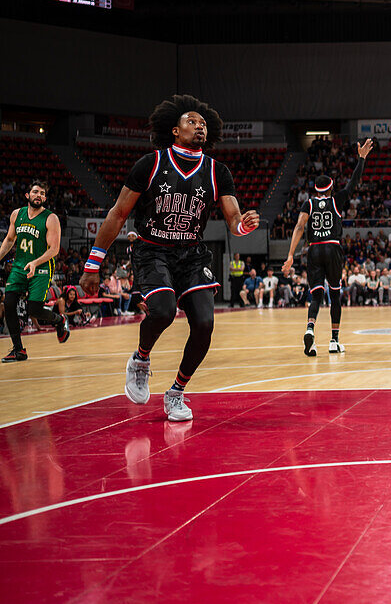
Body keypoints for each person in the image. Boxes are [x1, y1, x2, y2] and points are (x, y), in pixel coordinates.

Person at [79, 94, 259, 421]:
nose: (199, 127)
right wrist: (93, 264)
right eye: (192, 122)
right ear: (175, 131)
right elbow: (118, 214)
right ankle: (141, 359)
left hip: (191, 254)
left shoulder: (218, 171)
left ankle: (176, 392)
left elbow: (234, 220)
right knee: (161, 312)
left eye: (203, 124)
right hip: (152, 250)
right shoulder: (150, 164)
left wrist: (243, 225)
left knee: (204, 323)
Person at [282, 138, 373, 355]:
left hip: (313, 249)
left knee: (316, 295)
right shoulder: (337, 200)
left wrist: (290, 255)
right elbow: (354, 182)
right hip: (332, 248)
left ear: (315, 189)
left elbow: (298, 227)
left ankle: (310, 330)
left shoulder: (308, 203)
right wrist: (361, 159)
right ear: (331, 188)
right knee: (335, 294)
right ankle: (334, 340)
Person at [1, 180, 70, 361]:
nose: (39, 195)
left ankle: (59, 320)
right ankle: (18, 349)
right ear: (27, 195)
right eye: (35, 192)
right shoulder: (17, 214)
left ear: (45, 198)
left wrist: (35, 262)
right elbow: (9, 240)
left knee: (34, 310)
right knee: (8, 303)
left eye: (42, 193)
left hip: (41, 267)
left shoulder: (51, 218)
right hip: (19, 266)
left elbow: (54, 250)